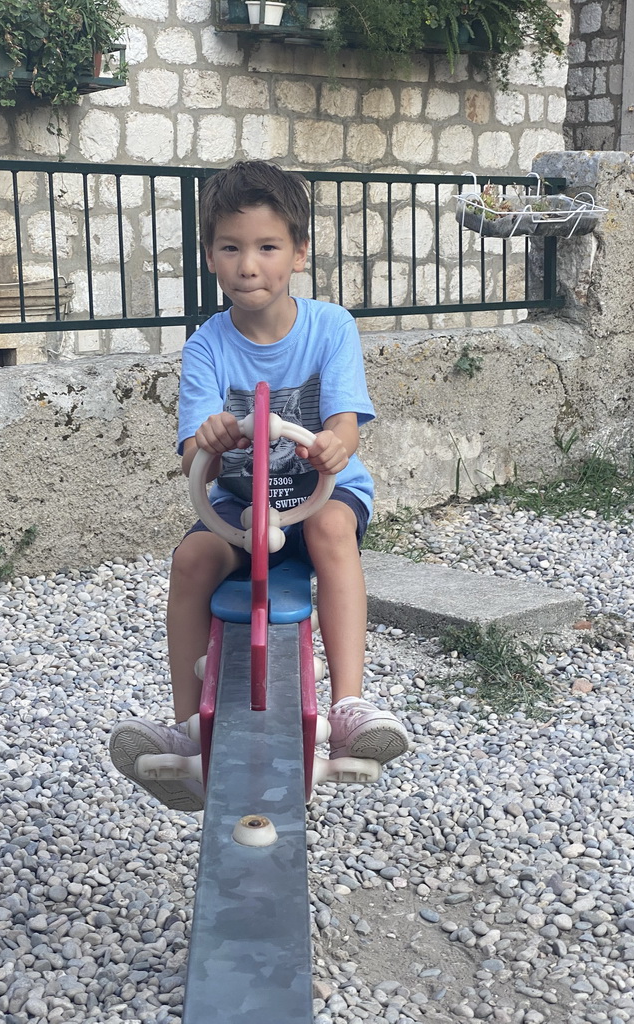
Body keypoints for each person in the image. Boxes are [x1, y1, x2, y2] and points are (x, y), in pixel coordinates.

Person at [109, 160, 408, 811]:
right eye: (231, 247)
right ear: (210, 256)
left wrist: (333, 443)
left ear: (299, 252)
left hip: (319, 496)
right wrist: (210, 443)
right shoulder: (207, 348)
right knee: (191, 559)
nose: (249, 265)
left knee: (332, 530)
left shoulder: (331, 327)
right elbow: (195, 454)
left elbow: (346, 425)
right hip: (239, 509)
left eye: (267, 247)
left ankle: (350, 706)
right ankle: (191, 732)